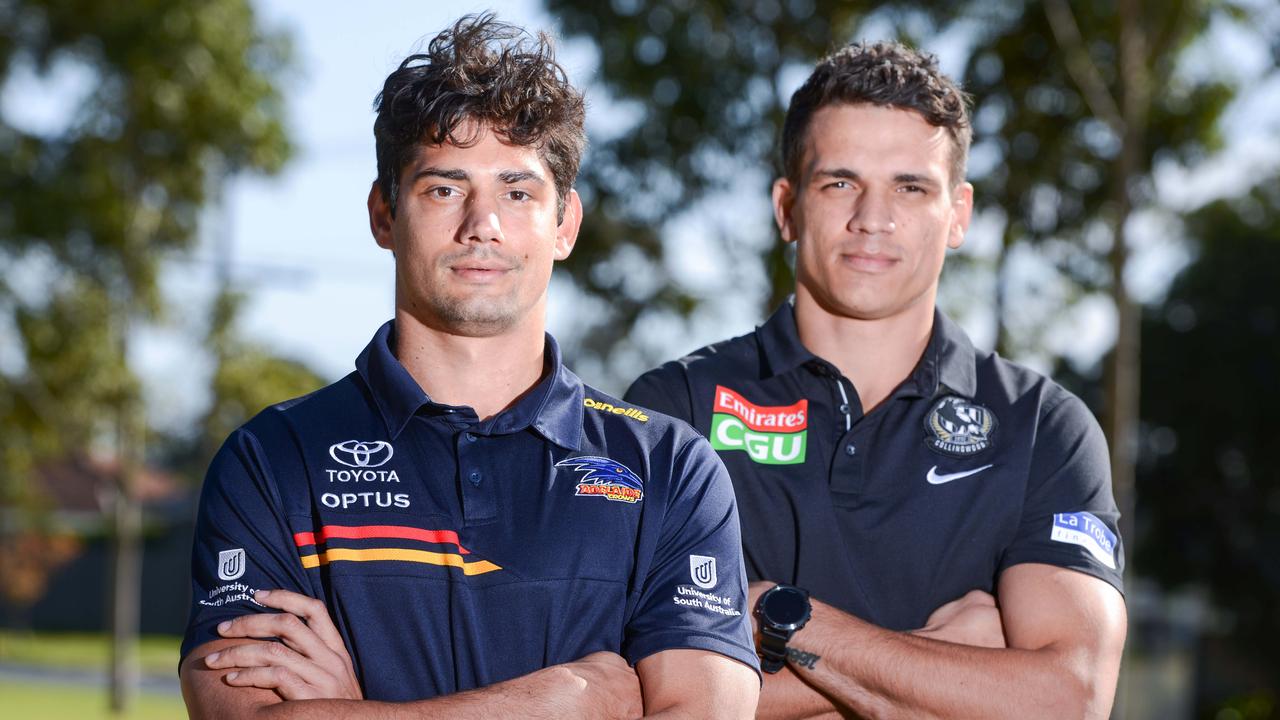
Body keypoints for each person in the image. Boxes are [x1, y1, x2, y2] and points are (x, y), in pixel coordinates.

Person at [178, 14, 759, 719]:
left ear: (566, 224)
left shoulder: (670, 470)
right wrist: (556, 703)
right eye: (444, 189)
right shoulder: (272, 461)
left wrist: (355, 711)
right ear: (383, 214)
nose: (482, 224)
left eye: (518, 193)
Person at [625, 41, 1127, 719]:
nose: (873, 219)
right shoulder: (671, 413)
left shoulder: (1043, 428)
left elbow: (1070, 697)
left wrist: (778, 617)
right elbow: (648, 696)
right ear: (787, 206)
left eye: (911, 187)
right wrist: (952, 672)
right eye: (840, 182)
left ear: (959, 214)